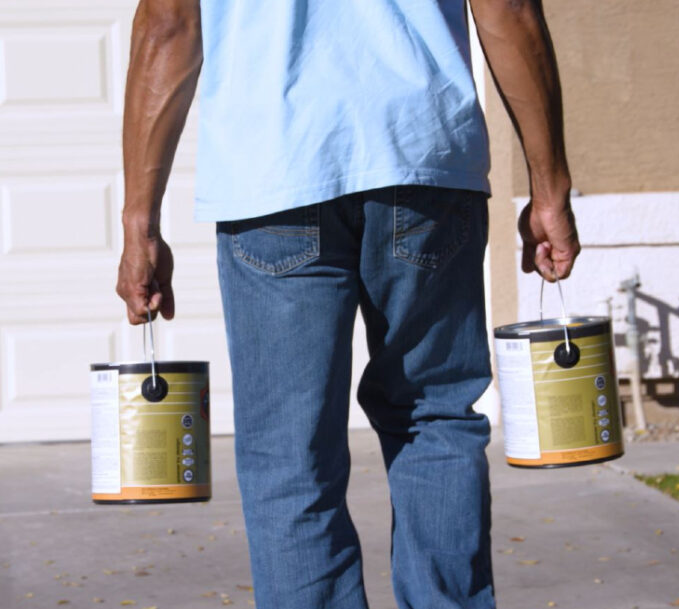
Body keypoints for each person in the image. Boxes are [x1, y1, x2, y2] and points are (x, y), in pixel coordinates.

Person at [115, 0, 580, 607]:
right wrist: (550, 188)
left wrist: (139, 219)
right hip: (423, 154)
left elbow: (169, 21)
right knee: (433, 420)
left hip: (273, 170)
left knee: (290, 453)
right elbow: (508, 9)